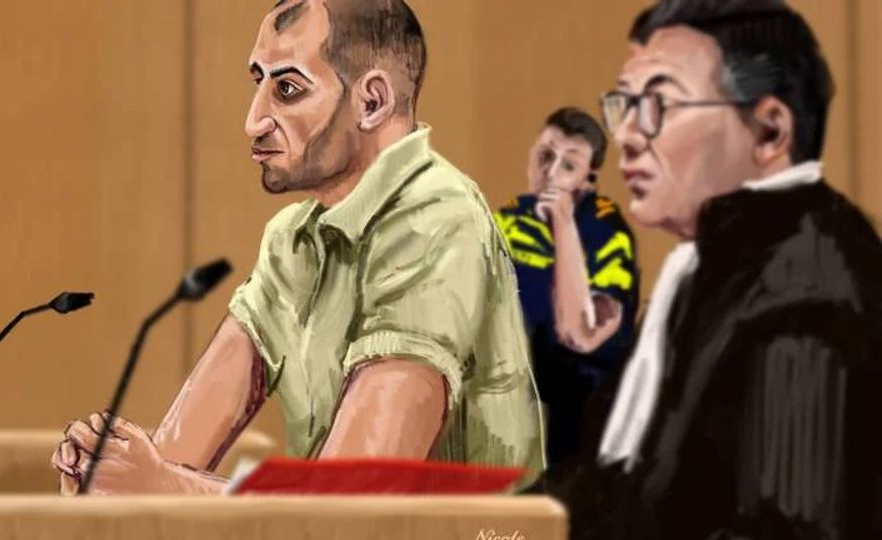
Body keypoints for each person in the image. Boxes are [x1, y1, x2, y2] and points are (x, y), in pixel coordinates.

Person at [51, 0, 545, 495]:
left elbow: (350, 500)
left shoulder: (438, 220)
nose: (253, 121)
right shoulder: (291, 239)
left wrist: (161, 487)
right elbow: (173, 461)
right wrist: (111, 478)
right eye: (258, 82)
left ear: (372, 102)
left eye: (287, 89)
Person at [553, 1, 882, 538]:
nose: (627, 135)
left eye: (658, 104)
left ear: (770, 132)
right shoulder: (711, 267)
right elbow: (607, 491)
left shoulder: (809, 287)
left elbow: (788, 530)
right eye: (624, 105)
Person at [493, 108, 639, 465]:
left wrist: (563, 222)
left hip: (584, 407)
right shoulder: (509, 219)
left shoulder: (607, 230)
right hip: (515, 397)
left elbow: (581, 333)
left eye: (569, 165)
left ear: (588, 180)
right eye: (545, 156)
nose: (551, 173)